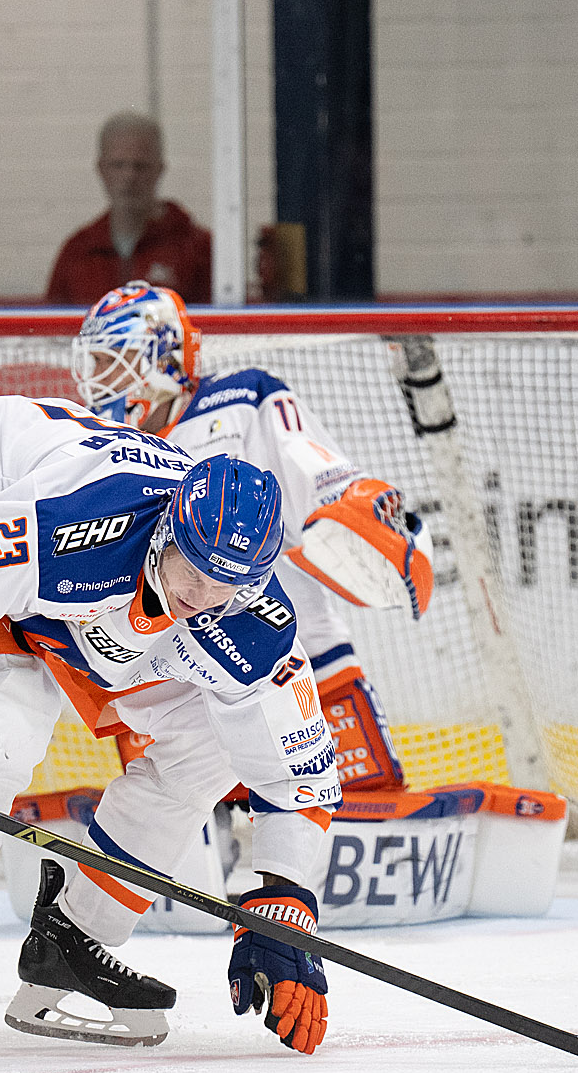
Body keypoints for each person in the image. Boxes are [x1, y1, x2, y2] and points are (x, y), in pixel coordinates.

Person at [0, 400, 370, 1063]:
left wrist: (285, 900)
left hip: (91, 596)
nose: (205, 599)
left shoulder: (254, 620)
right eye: (195, 572)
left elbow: (300, 776)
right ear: (167, 533)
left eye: (228, 587)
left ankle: (70, 940)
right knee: (4, 732)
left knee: (211, 749)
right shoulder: (63, 532)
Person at [63, 281, 434, 806]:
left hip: (289, 657)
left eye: (111, 360)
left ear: (164, 356)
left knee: (341, 811)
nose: (96, 378)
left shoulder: (241, 400)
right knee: (180, 821)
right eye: (94, 362)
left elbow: (320, 482)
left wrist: (360, 507)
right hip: (165, 680)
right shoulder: (94, 443)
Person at [45, 112, 212, 306]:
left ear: (159, 169)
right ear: (101, 169)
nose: (129, 176)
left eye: (140, 166)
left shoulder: (197, 249)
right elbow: (54, 321)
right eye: (118, 165)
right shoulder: (78, 251)